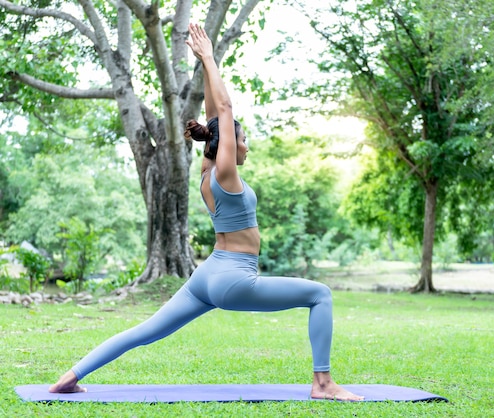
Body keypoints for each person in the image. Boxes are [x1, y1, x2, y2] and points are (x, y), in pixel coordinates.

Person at [49, 23, 363, 402]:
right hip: (234, 277)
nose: (247, 147)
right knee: (320, 294)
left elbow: (217, 117)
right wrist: (210, 57)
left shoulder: (207, 172)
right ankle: (323, 384)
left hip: (208, 274)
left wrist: (204, 63)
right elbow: (226, 111)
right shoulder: (227, 175)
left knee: (146, 331)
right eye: (243, 140)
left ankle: (68, 377)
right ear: (231, 145)